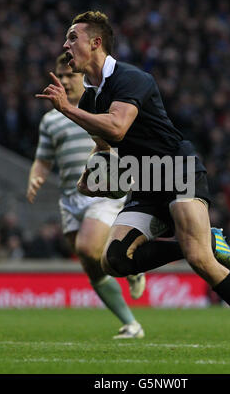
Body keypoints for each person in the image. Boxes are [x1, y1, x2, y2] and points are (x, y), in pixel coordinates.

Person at [36, 11, 230, 355]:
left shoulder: (132, 78)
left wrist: (66, 109)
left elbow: (117, 128)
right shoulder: (94, 97)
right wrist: (89, 178)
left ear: (96, 43)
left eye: (72, 37)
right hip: (147, 183)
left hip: (178, 170)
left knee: (199, 260)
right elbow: (105, 146)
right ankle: (209, 244)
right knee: (113, 260)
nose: (66, 45)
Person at [28, 53, 146, 339]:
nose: (66, 80)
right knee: (92, 266)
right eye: (61, 75)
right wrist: (36, 175)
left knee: (87, 247)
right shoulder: (50, 120)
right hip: (69, 199)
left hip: (100, 194)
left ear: (82, 75)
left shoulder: (100, 105)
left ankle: (130, 260)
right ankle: (132, 324)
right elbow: (44, 158)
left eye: (71, 75)